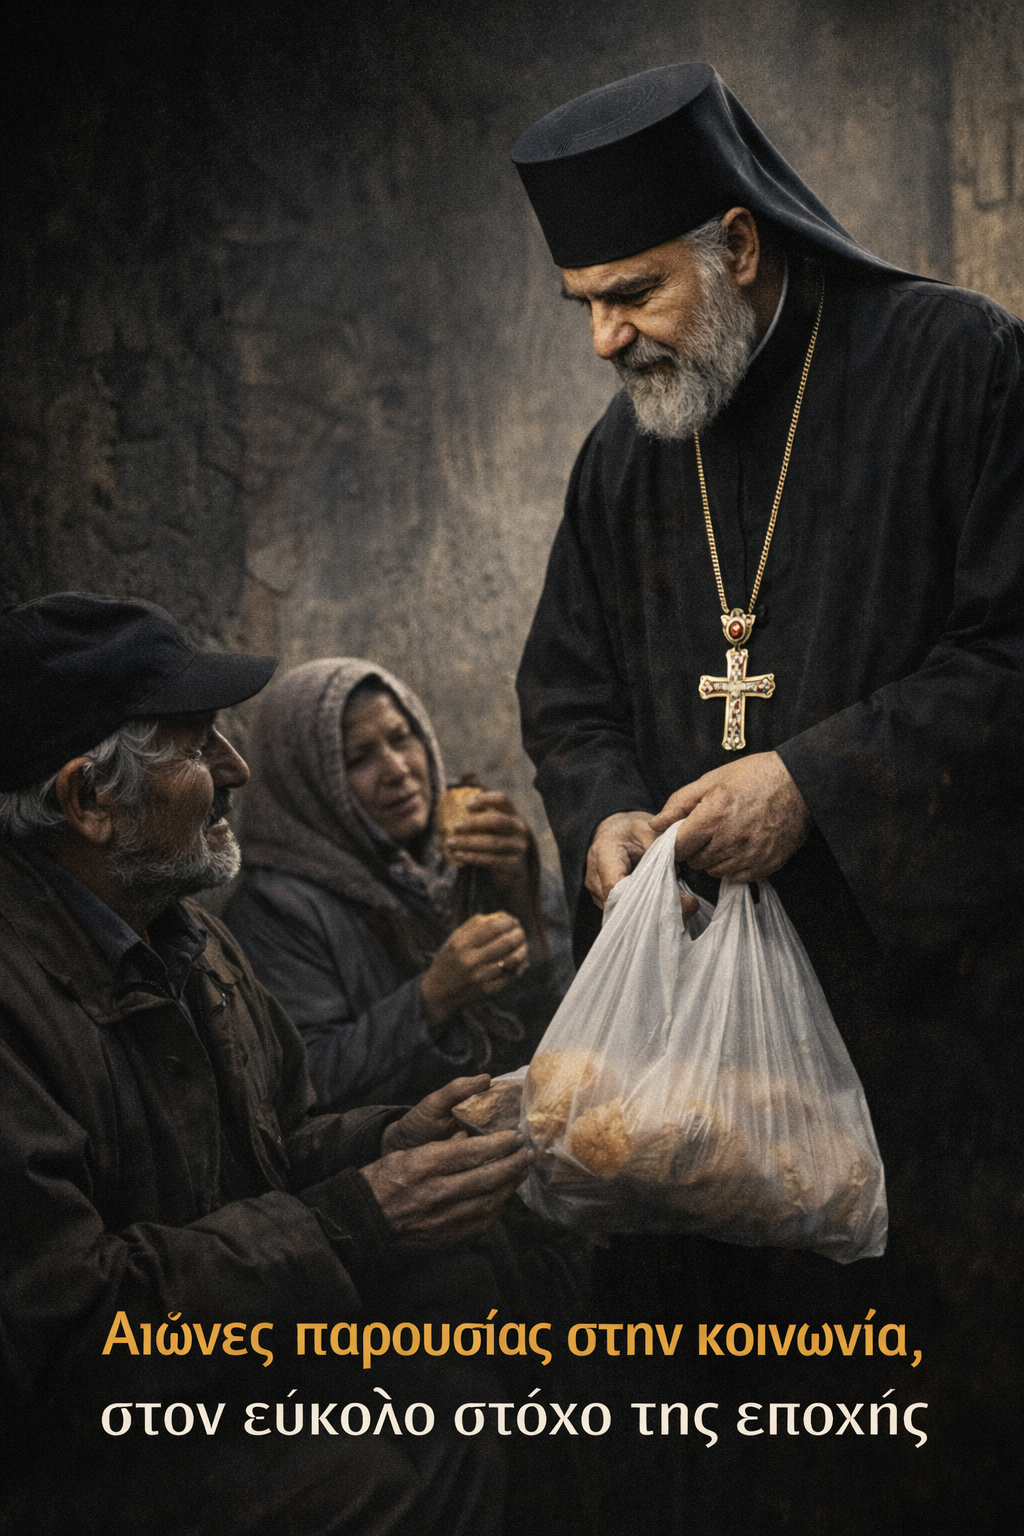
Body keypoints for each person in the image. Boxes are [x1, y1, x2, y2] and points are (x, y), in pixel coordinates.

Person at [511, 63, 1022, 1532]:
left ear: (738, 245)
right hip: (695, 1079)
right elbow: (570, 692)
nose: (605, 340)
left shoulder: (961, 369)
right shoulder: (626, 456)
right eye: (583, 308)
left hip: (932, 1050)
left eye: (630, 293)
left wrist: (814, 781)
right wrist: (603, 808)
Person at [0, 592, 535, 1536]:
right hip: (83, 1439)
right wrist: (357, 1219)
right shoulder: (19, 1001)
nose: (237, 768)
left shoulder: (190, 938)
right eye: (199, 744)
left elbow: (275, 1140)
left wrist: (388, 1136)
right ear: (87, 800)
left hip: (220, 1346)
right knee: (360, 1481)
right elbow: (73, 1331)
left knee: (479, 1313)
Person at [224, 658, 573, 1113]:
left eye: (400, 738)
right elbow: (302, 1084)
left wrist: (523, 892)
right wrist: (431, 998)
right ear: (310, 783)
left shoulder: (470, 850)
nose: (396, 769)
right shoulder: (277, 910)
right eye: (357, 759)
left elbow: (567, 1001)